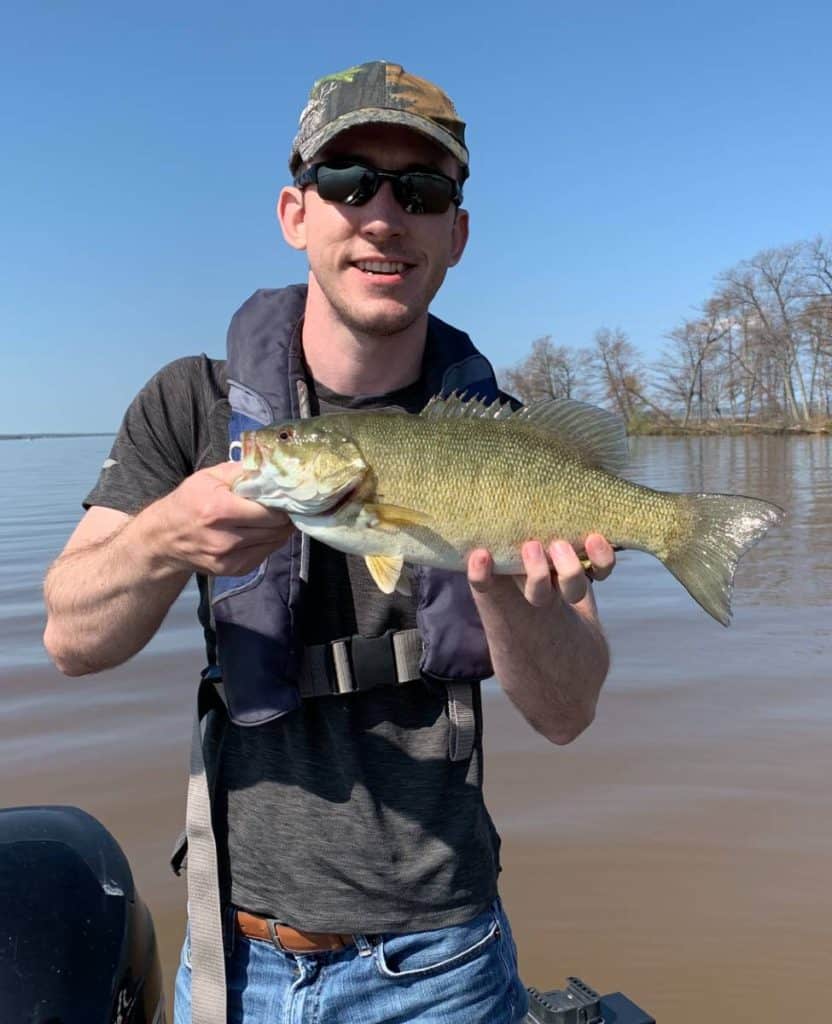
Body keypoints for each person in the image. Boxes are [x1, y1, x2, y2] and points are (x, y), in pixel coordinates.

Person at [43, 61, 615, 1024]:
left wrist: (513, 602)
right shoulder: (192, 405)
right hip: (233, 955)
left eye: (421, 190)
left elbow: (568, 714)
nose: (383, 215)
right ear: (294, 212)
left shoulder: (505, 439)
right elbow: (68, 639)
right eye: (348, 181)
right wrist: (161, 540)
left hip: (445, 967)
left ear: (456, 234)